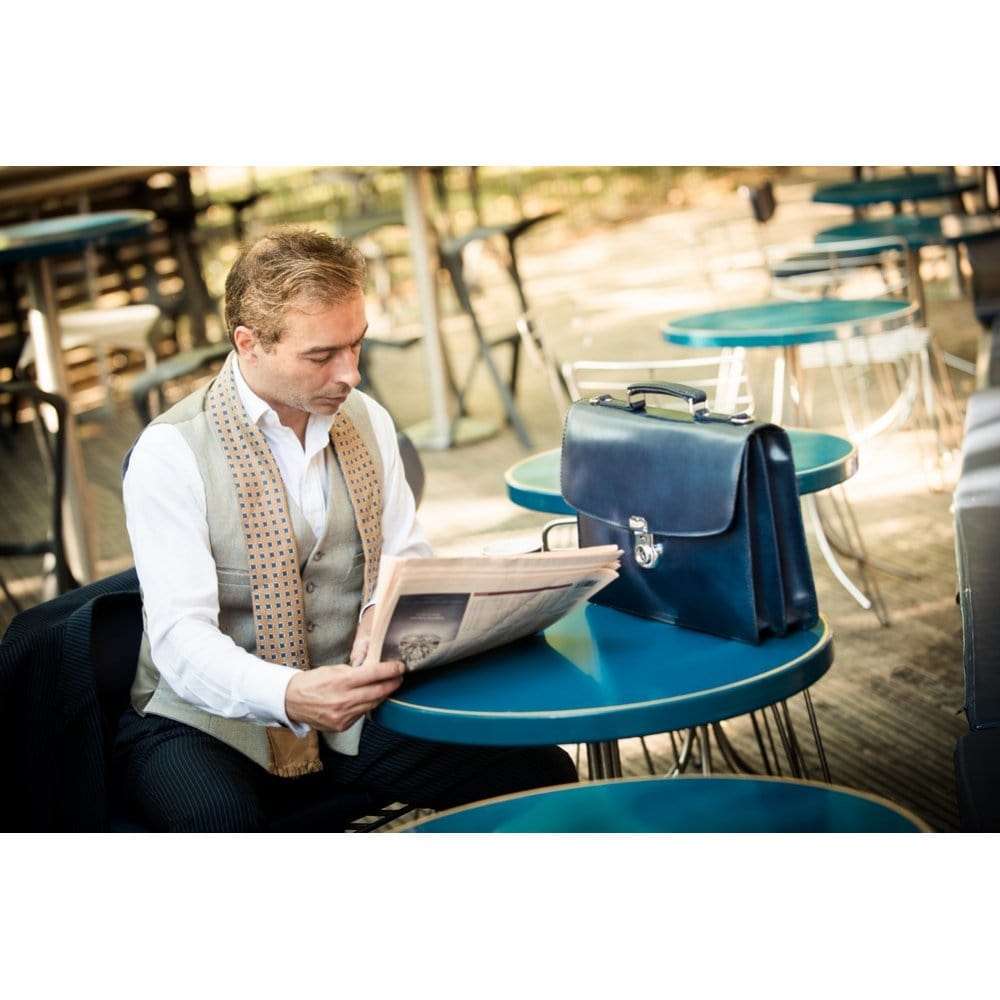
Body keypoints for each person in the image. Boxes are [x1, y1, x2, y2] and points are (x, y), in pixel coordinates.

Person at [113, 226, 577, 832]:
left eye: (355, 346)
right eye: (321, 355)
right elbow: (179, 641)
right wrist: (289, 694)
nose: (350, 374)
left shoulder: (367, 419)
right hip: (204, 723)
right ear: (248, 344)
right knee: (226, 827)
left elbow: (404, 562)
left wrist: (395, 618)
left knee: (540, 773)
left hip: (353, 712)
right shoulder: (170, 454)